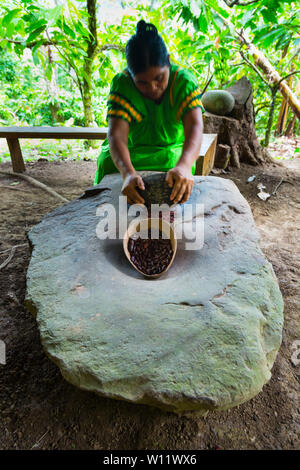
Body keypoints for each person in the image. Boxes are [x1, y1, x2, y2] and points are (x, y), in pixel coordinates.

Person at [93, 20, 205, 205]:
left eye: (159, 78)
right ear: (130, 74)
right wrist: (128, 173)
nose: (153, 88)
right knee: (112, 203)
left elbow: (195, 127)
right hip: (127, 155)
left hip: (169, 155)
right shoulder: (123, 84)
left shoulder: (183, 81)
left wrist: (184, 166)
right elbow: (117, 136)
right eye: (142, 83)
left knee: (176, 184)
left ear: (168, 61)